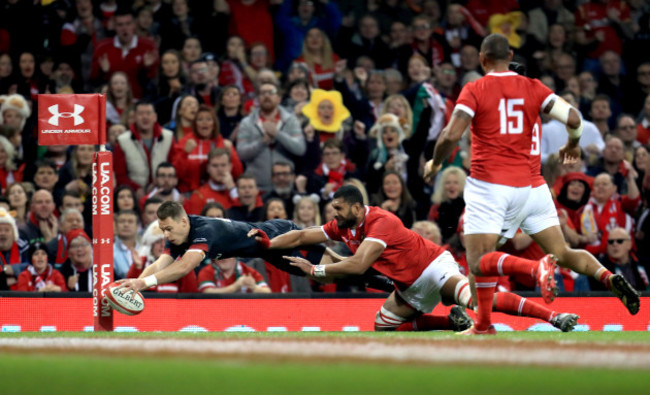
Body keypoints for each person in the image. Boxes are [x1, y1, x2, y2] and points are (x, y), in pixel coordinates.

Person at [423, 33, 587, 334]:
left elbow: (450, 135)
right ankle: (483, 325)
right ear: (509, 54)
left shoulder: (475, 88)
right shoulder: (534, 87)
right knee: (484, 259)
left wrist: (436, 163)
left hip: (489, 184)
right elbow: (574, 117)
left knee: (477, 261)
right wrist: (573, 145)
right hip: (528, 185)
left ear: (483, 59)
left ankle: (534, 268)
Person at [252, 185, 580, 332]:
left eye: (338, 209)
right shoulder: (345, 226)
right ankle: (448, 322)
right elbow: (300, 235)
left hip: (433, 267)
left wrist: (316, 269)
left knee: (477, 299)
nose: (333, 215)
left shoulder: (381, 222)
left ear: (355, 207)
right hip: (409, 285)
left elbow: (358, 266)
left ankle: (554, 317)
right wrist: (269, 244)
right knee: (383, 324)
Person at [115, 200, 349, 294]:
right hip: (266, 251)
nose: (165, 235)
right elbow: (160, 263)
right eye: (162, 230)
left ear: (183, 221)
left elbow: (184, 267)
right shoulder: (178, 234)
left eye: (167, 229)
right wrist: (134, 285)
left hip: (276, 234)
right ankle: (374, 274)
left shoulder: (203, 231)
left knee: (334, 269)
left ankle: (374, 271)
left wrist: (142, 282)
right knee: (325, 277)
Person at [198, 257, 270, 294]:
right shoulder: (207, 271)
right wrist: (235, 287)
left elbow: (267, 292)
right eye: (219, 256)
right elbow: (207, 293)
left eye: (227, 255)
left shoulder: (248, 271)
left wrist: (254, 288)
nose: (223, 259)